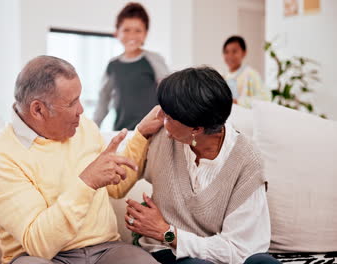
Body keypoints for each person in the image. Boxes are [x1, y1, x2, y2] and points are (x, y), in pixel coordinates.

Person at [0, 55, 164, 264]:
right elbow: (40, 244)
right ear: (38, 110)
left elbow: (116, 187)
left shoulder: (82, 126)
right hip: (41, 258)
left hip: (106, 250)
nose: (81, 110)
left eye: (80, 98)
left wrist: (141, 134)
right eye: (71, 103)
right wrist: (87, 182)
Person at [122, 67, 281, 264]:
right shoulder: (161, 136)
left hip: (223, 253)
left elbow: (240, 250)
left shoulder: (246, 161)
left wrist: (167, 232)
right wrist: (140, 132)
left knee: (263, 263)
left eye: (169, 117)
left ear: (196, 129)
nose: (159, 116)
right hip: (168, 253)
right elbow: (117, 183)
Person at [93, 2, 169, 130]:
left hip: (153, 131)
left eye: (138, 30)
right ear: (117, 32)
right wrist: (93, 128)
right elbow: (103, 99)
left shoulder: (154, 59)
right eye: (126, 30)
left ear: (145, 34)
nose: (132, 36)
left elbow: (169, 94)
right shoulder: (113, 65)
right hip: (123, 131)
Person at [223, 35, 271, 108]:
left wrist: (238, 102)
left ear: (244, 53)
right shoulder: (224, 78)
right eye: (226, 52)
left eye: (234, 51)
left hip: (246, 117)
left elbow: (266, 98)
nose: (230, 55)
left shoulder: (251, 74)